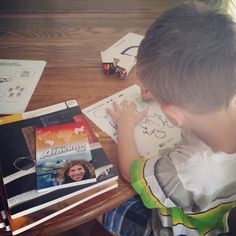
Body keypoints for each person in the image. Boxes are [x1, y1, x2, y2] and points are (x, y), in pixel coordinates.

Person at [102, 3, 236, 236]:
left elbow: (131, 170)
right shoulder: (225, 101)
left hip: (176, 229)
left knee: (106, 206)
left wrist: (125, 123)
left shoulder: (188, 170)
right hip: (215, 213)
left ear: (174, 115)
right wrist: (163, 92)